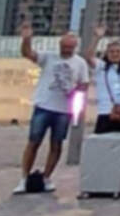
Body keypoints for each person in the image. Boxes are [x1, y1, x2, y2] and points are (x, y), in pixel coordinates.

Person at [15, 22, 90, 194]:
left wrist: (74, 93)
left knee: (56, 144)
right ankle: (24, 178)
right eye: (64, 46)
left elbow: (84, 84)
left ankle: (47, 177)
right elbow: (28, 54)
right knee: (33, 141)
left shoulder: (80, 63)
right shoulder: (48, 57)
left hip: (64, 110)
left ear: (75, 47)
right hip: (44, 105)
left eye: (70, 47)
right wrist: (26, 39)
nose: (66, 50)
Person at [86, 28, 120, 137]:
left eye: (118, 51)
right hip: (106, 112)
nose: (115, 54)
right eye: (112, 52)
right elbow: (89, 57)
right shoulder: (102, 67)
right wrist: (97, 38)